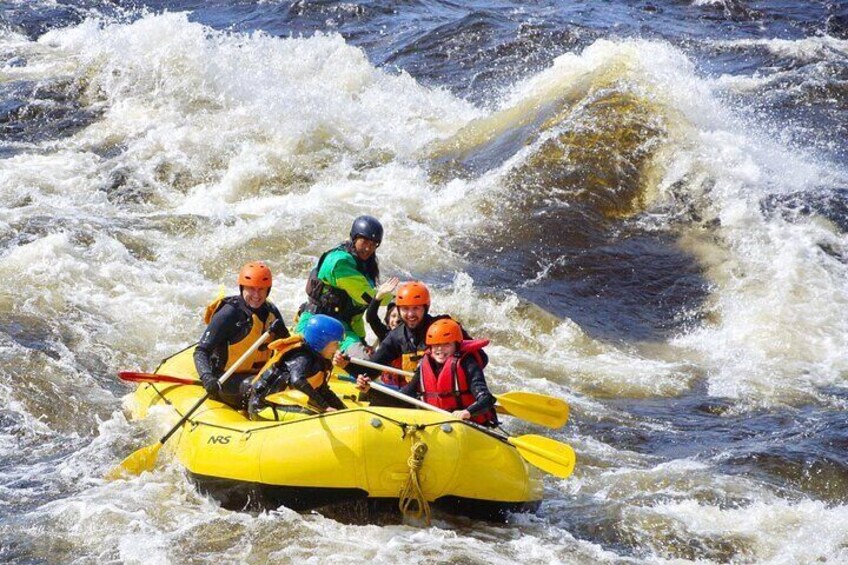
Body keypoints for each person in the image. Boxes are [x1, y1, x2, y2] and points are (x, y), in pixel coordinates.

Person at [336, 281, 483, 386]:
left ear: (426, 307)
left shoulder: (446, 326)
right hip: (413, 396)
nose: (410, 314)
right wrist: (346, 365)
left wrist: (455, 368)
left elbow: (481, 358)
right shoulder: (396, 337)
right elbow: (371, 372)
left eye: (416, 308)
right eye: (405, 309)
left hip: (447, 396)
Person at [356, 318, 497, 426]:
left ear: (457, 345)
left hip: (468, 425)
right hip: (437, 423)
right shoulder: (425, 364)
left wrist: (467, 412)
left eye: (446, 344)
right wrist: (371, 390)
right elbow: (405, 397)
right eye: (436, 345)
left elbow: (487, 398)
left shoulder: (467, 363)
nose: (440, 350)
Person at [194, 262, 289, 410]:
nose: (256, 295)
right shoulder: (229, 314)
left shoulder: (271, 312)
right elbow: (201, 351)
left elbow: (287, 349)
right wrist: (207, 378)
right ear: (242, 288)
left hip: (259, 376)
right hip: (226, 380)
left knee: (283, 382)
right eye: (251, 289)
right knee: (259, 387)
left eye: (261, 289)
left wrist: (283, 333)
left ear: (268, 290)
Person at [297, 215, 391, 359]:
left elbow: (356, 312)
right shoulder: (340, 263)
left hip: (341, 326)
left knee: (366, 359)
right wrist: (399, 300)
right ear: (354, 238)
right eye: (364, 241)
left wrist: (361, 340)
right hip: (317, 322)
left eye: (373, 244)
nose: (368, 248)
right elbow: (367, 297)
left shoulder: (364, 263)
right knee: (365, 362)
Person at [247, 314, 348, 418]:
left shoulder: (319, 359)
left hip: (282, 402)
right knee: (314, 416)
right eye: (335, 343)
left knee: (334, 412)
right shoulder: (302, 358)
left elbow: (323, 390)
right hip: (264, 406)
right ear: (321, 342)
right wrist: (324, 407)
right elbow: (297, 381)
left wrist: (343, 410)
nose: (338, 348)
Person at [365, 276, 400, 343]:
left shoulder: (410, 336)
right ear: (388, 319)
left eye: (400, 318)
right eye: (393, 316)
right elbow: (370, 317)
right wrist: (378, 296)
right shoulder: (384, 333)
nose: (396, 320)